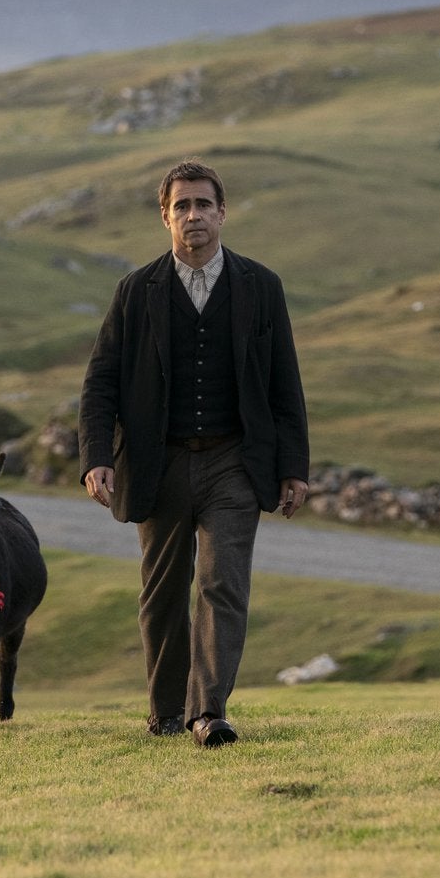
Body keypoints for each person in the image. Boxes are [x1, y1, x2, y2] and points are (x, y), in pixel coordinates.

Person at [78, 159, 310, 746]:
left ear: (223, 212)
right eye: (181, 206)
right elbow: (100, 381)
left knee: (222, 582)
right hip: (160, 462)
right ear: (165, 217)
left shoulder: (262, 287)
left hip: (235, 460)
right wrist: (96, 456)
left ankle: (208, 712)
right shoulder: (135, 292)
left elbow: (286, 384)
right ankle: (164, 712)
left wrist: (293, 468)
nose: (194, 216)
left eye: (203, 204)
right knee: (161, 594)